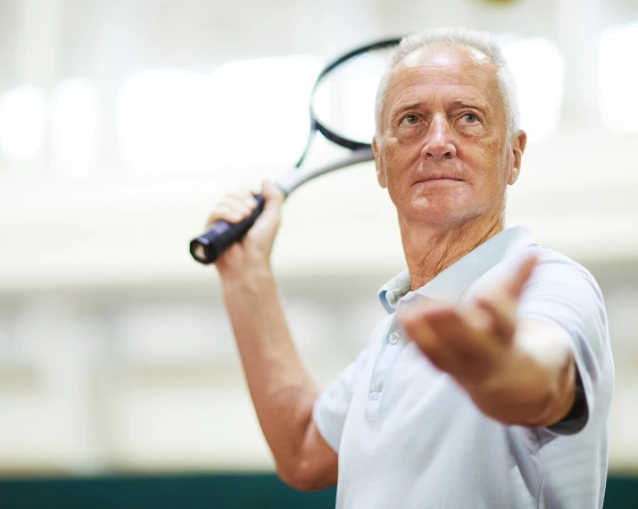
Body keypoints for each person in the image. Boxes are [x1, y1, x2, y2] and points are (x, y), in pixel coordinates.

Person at [205, 27, 614, 508]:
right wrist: (245, 275)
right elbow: (301, 450)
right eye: (413, 120)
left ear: (513, 156)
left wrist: (498, 368)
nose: (438, 141)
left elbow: (546, 376)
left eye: (468, 118)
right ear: (380, 161)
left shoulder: (551, 282)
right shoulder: (401, 330)